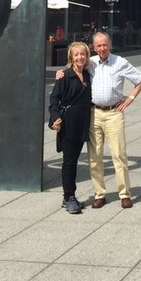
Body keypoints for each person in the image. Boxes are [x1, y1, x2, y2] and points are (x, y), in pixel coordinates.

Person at [56, 31, 141, 208]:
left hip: (114, 114)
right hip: (94, 114)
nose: (102, 48)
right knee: (94, 156)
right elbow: (74, 68)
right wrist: (60, 73)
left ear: (109, 45)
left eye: (105, 44)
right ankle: (99, 194)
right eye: (98, 46)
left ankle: (124, 194)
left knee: (119, 155)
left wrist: (130, 99)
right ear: (94, 48)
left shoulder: (120, 62)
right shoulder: (91, 63)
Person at [48, 42, 93, 214]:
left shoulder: (88, 75)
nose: (80, 57)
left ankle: (67, 196)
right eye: (76, 55)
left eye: (83, 54)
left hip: (82, 124)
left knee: (73, 160)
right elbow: (54, 100)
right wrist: (56, 118)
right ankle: (69, 197)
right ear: (71, 58)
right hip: (69, 124)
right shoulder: (65, 76)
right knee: (69, 162)